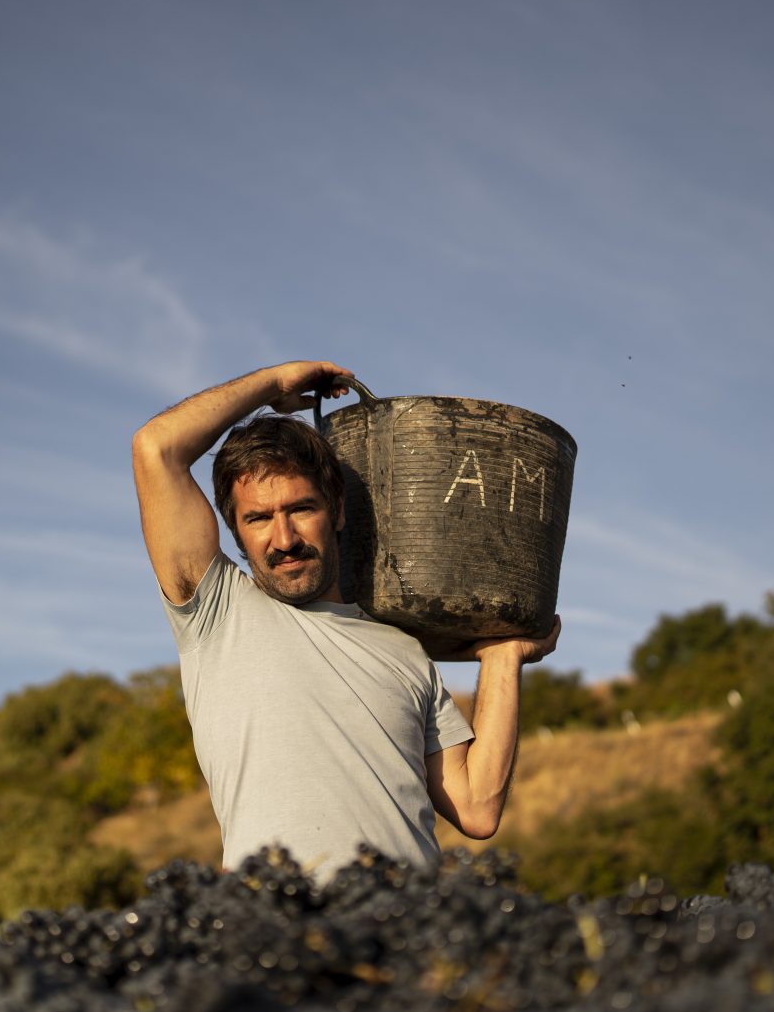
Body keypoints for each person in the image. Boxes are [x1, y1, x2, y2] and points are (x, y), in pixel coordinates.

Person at [131, 359, 561, 881]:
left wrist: (503, 658)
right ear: (236, 530)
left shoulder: (404, 650)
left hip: (407, 920)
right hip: (279, 918)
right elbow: (157, 448)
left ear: (336, 510)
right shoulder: (217, 613)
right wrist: (274, 385)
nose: (284, 539)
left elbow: (477, 808)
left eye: (301, 509)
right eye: (259, 518)